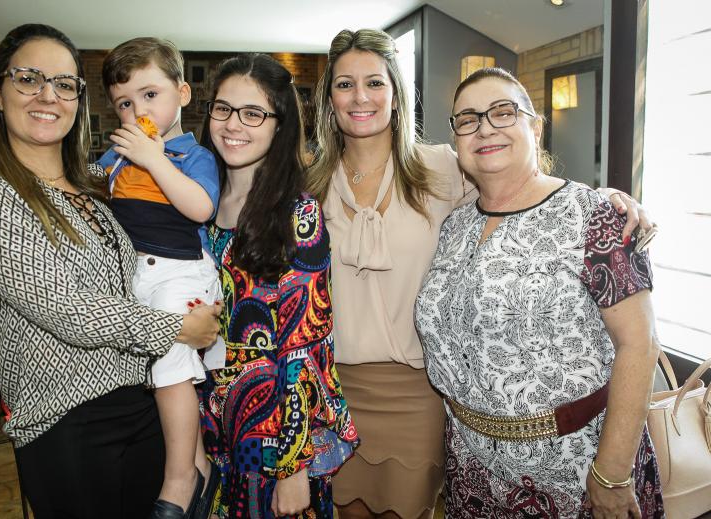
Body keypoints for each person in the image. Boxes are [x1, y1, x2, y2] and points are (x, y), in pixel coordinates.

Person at [307, 28, 654, 519]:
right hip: (336, 390)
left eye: (375, 82)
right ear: (329, 99)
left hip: (418, 396)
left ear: (396, 94)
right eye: (345, 84)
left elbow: (522, 187)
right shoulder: (310, 181)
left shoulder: (442, 168)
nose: (360, 96)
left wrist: (609, 200)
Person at [0, 24, 220, 519]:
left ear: (77, 100)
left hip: (143, 402)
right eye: (28, 79)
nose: (47, 96)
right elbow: (66, 309)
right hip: (66, 420)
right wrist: (178, 327)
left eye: (64, 83)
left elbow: (177, 219)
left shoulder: (98, 184)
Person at [414, 67, 664, 518]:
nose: (485, 128)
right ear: (456, 141)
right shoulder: (454, 226)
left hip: (574, 467)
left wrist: (612, 472)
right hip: (471, 469)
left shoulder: (595, 216)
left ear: (535, 128)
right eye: (468, 119)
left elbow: (640, 344)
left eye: (503, 112)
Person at [197, 53, 358, 518]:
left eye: (253, 113)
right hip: (209, 431)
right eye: (223, 109)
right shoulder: (197, 206)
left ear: (279, 125)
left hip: (273, 442)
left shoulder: (298, 215)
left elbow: (306, 347)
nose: (233, 124)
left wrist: (292, 468)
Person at [97, 36, 224, 519]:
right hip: (136, 276)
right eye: (125, 103)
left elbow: (201, 207)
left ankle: (179, 478)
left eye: (150, 95)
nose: (138, 111)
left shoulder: (193, 156)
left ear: (182, 94)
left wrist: (153, 158)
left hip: (182, 271)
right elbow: (91, 191)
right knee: (162, 374)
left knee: (170, 369)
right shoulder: (117, 155)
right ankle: (199, 464)